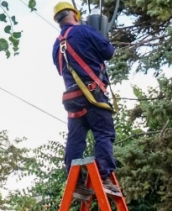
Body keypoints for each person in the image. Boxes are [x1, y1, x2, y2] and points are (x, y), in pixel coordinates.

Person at [52, 2, 117, 191]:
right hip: (92, 95)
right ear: (75, 15)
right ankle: (104, 177)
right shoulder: (84, 31)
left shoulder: (56, 45)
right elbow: (108, 52)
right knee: (104, 133)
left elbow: (61, 69)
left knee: (75, 140)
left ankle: (76, 182)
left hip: (72, 99)